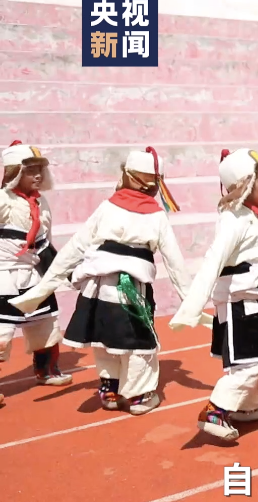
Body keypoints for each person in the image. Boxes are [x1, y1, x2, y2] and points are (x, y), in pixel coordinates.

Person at [10, 147, 200, 414]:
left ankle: (110, 388)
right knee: (139, 344)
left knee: (104, 338)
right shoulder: (157, 216)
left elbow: (75, 247)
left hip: (96, 288)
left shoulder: (107, 207)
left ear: (127, 176)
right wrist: (190, 302)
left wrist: (44, 287)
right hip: (130, 291)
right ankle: (139, 396)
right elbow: (175, 262)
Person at [169, 148, 258, 441]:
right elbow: (213, 260)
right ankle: (215, 411)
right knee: (252, 363)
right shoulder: (234, 221)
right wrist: (191, 306)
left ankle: (248, 405)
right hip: (239, 305)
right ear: (246, 185)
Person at [0, 141, 70, 407]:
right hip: (4, 274)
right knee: (1, 334)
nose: (37, 175)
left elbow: (45, 241)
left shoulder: (42, 202)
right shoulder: (3, 200)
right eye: (30, 170)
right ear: (14, 172)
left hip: (33, 273)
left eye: (40, 169)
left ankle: (46, 370)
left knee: (46, 326)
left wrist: (62, 271)